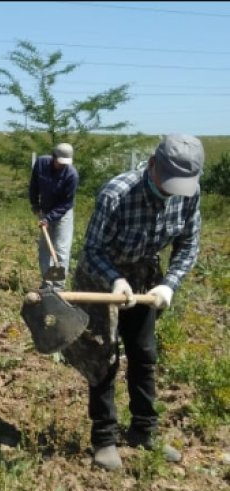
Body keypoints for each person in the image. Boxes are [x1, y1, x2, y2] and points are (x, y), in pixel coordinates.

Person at [61, 134, 204, 471]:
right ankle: (105, 439)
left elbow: (188, 245)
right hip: (101, 281)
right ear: (153, 165)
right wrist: (115, 280)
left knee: (143, 355)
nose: (172, 190)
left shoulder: (189, 195)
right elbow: (91, 251)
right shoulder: (117, 193)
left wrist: (169, 285)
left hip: (144, 279)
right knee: (104, 359)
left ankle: (144, 432)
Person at [30, 142, 79, 289]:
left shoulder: (71, 175)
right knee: (45, 249)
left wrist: (49, 218)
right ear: (53, 157)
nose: (62, 165)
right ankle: (47, 282)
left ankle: (58, 286)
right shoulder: (41, 164)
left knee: (61, 249)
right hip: (45, 209)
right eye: (60, 162)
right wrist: (35, 205)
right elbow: (34, 185)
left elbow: (66, 203)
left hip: (63, 213)